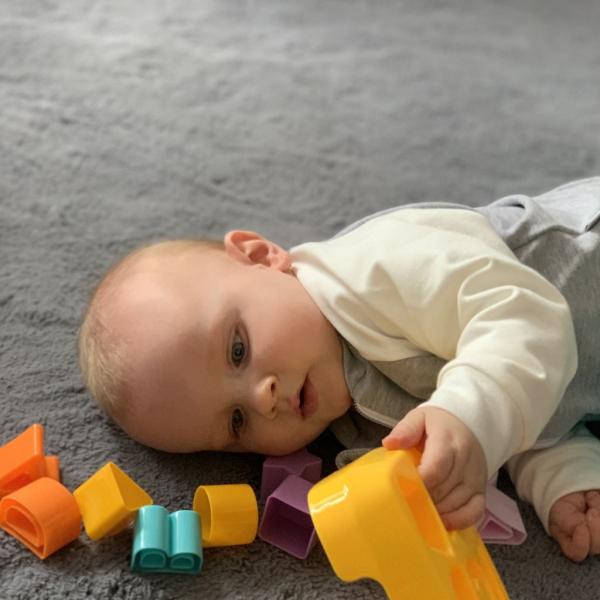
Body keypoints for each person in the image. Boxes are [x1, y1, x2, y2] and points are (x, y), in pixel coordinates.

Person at [78, 177, 600, 562]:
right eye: (236, 421)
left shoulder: (378, 266)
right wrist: (561, 475)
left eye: (237, 350)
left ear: (262, 256)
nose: (262, 398)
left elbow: (526, 321)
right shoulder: (352, 418)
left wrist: (470, 418)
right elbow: (522, 400)